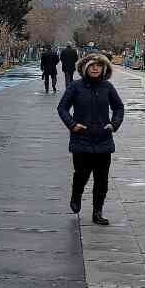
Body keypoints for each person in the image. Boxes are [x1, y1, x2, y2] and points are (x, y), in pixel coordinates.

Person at [57, 52, 123, 225]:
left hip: (103, 139)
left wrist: (114, 124)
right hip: (81, 139)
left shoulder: (107, 87)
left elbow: (119, 108)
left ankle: (97, 212)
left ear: (104, 69)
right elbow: (62, 108)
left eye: (99, 66)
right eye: (92, 65)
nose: (95, 68)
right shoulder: (75, 87)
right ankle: (76, 194)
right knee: (82, 174)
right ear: (85, 68)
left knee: (102, 179)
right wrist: (72, 125)